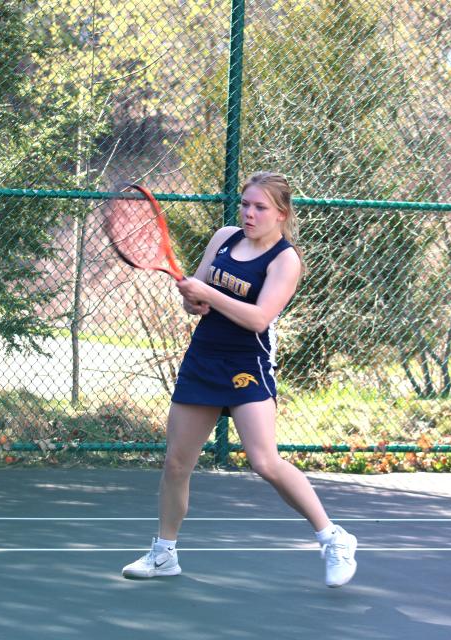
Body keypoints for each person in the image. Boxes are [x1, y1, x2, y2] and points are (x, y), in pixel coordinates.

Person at [121, 171, 358, 588]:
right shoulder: (225, 238)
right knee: (176, 463)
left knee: (264, 461)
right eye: (246, 204)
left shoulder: (286, 261)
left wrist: (208, 294)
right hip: (203, 360)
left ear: (281, 214)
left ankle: (333, 538)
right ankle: (164, 554)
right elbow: (195, 300)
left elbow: (259, 318)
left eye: (260, 207)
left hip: (247, 364)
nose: (249, 213)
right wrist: (191, 299)